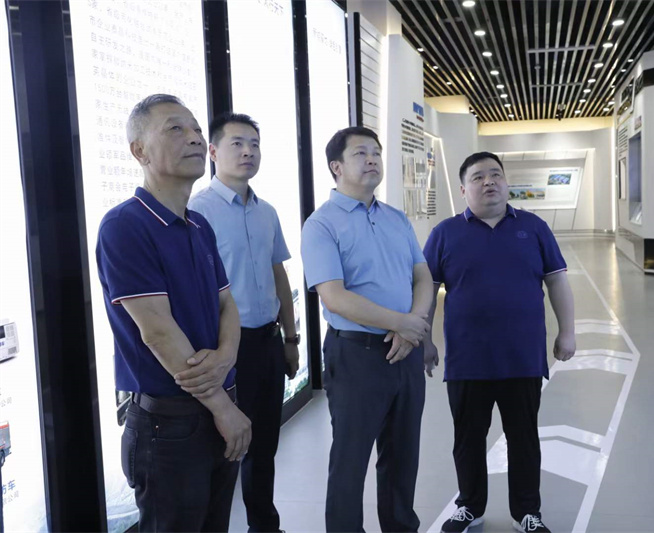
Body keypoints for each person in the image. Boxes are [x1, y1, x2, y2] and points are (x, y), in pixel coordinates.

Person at [96, 94, 252, 532]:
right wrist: (223, 407)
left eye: (197, 129)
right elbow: (158, 331)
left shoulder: (198, 225)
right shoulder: (125, 226)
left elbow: (227, 304)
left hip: (215, 406)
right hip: (168, 425)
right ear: (139, 151)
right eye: (176, 129)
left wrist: (226, 357)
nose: (195, 138)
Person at [422, 152, 576, 533]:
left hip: (521, 357)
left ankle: (526, 512)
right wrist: (424, 338)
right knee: (468, 439)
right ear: (463, 189)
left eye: (495, 174)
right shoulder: (445, 233)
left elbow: (557, 280)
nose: (488, 181)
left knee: (524, 438)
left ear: (507, 183)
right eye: (478, 177)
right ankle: (469, 506)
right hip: (467, 359)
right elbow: (426, 291)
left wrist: (567, 331)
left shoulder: (534, 228)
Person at [300, 126, 434, 533]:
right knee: (350, 458)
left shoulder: (395, 218)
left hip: (405, 351)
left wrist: (412, 328)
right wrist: (402, 323)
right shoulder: (321, 225)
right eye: (361, 153)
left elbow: (423, 276)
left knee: (403, 455)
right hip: (356, 354)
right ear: (336, 167)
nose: (372, 158)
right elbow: (334, 297)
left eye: (376, 151)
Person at [188, 112, 299, 533]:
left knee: (264, 444)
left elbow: (278, 273)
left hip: (268, 341)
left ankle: (263, 526)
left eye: (254, 143)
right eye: (237, 143)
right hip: (226, 347)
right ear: (214, 152)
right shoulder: (197, 211)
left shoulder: (266, 211)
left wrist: (291, 337)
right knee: (224, 446)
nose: (248, 151)